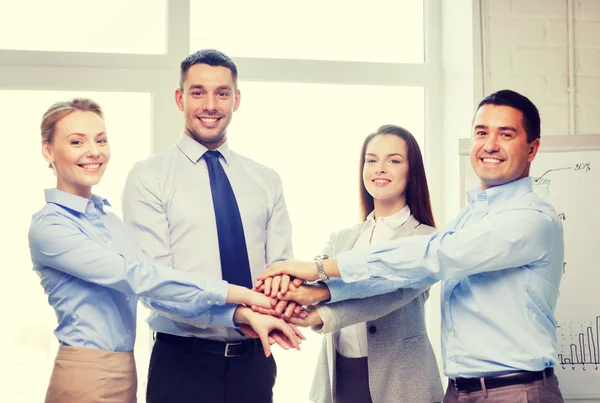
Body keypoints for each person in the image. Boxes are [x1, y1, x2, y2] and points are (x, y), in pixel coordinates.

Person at [260, 89, 565, 402]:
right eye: (481, 132)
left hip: (511, 391)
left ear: (532, 148)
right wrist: (300, 292)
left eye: (506, 134)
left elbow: (422, 263)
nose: (490, 144)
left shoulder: (530, 219)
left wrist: (320, 277)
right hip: (461, 390)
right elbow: (388, 276)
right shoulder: (468, 219)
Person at [30, 98, 302, 403]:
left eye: (101, 140)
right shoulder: (50, 227)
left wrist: (239, 315)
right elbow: (141, 277)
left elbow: (162, 289)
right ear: (48, 150)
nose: (93, 151)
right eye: (77, 141)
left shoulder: (108, 220)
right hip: (85, 371)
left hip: (124, 368)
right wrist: (244, 295)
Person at [122, 49, 297, 403]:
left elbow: (280, 269)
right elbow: (157, 286)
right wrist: (238, 311)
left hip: (256, 363)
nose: (210, 105)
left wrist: (292, 297)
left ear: (236, 99)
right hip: (183, 364)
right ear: (179, 97)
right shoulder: (149, 177)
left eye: (222, 93)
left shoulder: (266, 180)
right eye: (198, 92)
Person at [264, 125, 444, 402]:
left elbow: (385, 294)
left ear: (412, 173)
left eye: (393, 160)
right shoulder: (342, 239)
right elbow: (311, 283)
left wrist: (321, 313)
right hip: (339, 379)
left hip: (402, 383)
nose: (380, 168)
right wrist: (284, 288)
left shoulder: (427, 240)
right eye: (371, 160)